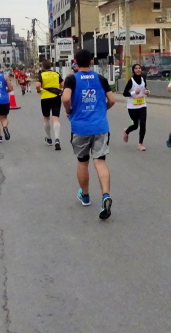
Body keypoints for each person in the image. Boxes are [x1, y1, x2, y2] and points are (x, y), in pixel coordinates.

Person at [62, 49, 115, 220]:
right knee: (100, 161)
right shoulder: (101, 79)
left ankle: (85, 195)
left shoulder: (71, 79)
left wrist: (69, 111)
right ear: (91, 61)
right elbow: (112, 100)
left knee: (82, 162)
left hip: (80, 127)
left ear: (75, 62)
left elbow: (65, 98)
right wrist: (103, 110)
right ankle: (105, 195)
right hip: (100, 126)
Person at [36, 60, 64, 150]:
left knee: (46, 118)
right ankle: (57, 139)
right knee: (56, 118)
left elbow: (38, 85)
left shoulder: (42, 74)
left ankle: (49, 138)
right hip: (56, 97)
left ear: (43, 67)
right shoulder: (56, 74)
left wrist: (39, 90)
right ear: (50, 66)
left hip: (45, 98)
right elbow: (62, 84)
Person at [122, 63, 149, 151]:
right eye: (136, 68)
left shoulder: (143, 79)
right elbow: (125, 93)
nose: (138, 70)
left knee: (143, 124)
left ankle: (140, 144)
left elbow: (144, 89)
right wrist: (134, 93)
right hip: (132, 107)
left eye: (139, 68)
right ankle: (126, 131)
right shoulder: (131, 81)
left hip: (142, 105)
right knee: (135, 125)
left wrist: (146, 92)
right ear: (133, 70)